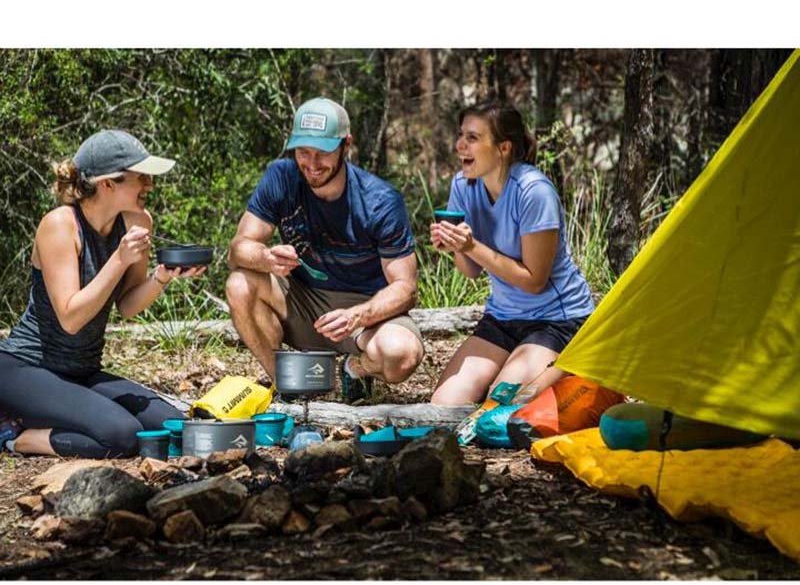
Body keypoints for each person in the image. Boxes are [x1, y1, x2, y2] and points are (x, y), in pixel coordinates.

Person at [0, 129, 206, 458]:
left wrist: (161, 278)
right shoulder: (60, 225)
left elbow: (126, 305)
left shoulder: (138, 221)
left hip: (82, 370)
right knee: (122, 437)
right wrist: (119, 259)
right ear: (108, 184)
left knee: (175, 427)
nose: (150, 185)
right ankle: (15, 437)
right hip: (26, 367)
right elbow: (71, 318)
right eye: (141, 177)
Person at [226, 97, 424, 403]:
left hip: (365, 311)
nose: (312, 163)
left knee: (402, 355)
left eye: (323, 152)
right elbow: (237, 250)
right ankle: (286, 384)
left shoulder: (380, 200)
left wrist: (358, 315)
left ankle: (354, 369)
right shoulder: (281, 177)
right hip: (302, 301)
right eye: (303, 152)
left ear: (347, 145)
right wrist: (265, 258)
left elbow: (406, 288)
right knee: (238, 283)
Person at [430, 103, 595, 405]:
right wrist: (456, 246)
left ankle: (570, 366)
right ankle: (535, 370)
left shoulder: (534, 191)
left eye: (472, 138)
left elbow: (534, 281)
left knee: (501, 402)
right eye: (461, 135)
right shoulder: (462, 185)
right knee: (445, 404)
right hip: (503, 317)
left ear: (503, 148)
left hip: (557, 319)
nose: (460, 145)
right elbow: (470, 271)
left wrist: (471, 246)